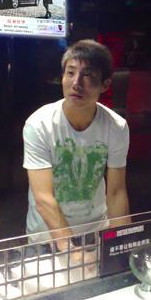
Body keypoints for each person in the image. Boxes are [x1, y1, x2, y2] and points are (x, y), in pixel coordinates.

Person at [22, 39, 130, 251]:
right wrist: (72, 250)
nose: (76, 83)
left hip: (94, 233)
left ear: (105, 84)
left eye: (87, 75)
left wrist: (121, 244)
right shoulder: (39, 124)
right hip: (46, 238)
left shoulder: (116, 126)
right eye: (70, 73)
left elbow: (116, 192)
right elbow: (43, 198)